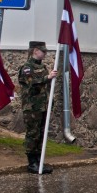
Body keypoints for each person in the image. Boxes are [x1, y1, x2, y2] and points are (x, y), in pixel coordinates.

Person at [17, 41, 58, 174]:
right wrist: (47, 77)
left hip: (42, 106)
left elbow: (45, 88)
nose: (45, 53)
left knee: (41, 133)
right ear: (35, 50)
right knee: (32, 134)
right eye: (43, 51)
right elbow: (31, 83)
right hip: (32, 107)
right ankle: (32, 162)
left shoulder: (42, 67)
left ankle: (39, 161)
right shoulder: (27, 67)